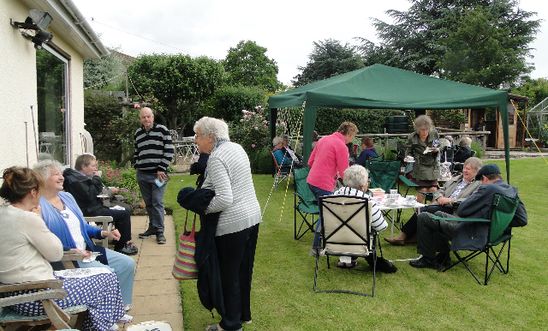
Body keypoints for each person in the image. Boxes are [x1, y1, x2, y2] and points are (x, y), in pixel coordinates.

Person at [0, 166, 125, 330]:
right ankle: (99, 327)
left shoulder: (4, 213)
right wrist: (38, 218)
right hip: (36, 297)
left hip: (12, 293)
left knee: (104, 275)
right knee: (106, 279)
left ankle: (99, 324)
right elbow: (55, 253)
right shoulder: (28, 218)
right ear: (32, 192)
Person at [34, 160, 136, 310]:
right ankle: (104, 312)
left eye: (61, 174)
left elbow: (82, 225)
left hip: (88, 250)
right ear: (42, 179)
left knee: (127, 264)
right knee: (108, 275)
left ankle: (120, 307)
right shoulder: (37, 206)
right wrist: (72, 251)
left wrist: (103, 233)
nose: (62, 177)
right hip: (68, 259)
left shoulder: (67, 197)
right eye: (56, 174)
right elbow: (43, 241)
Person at [194, 117, 261, 331]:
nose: (196, 140)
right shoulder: (237, 148)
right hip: (252, 217)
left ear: (210, 137)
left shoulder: (216, 157)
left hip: (234, 223)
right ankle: (242, 315)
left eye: (198, 136)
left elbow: (224, 198)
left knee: (228, 275)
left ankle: (231, 324)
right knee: (243, 270)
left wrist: (202, 207)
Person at [410, 164, 528, 269]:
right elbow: (522, 219)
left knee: (424, 217)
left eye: (481, 181)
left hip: (472, 232)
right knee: (438, 214)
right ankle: (443, 256)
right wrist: (497, 224)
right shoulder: (511, 191)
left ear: (485, 179)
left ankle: (428, 259)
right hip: (494, 234)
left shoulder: (488, 188)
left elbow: (462, 211)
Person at [385, 157, 483, 246]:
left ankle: (403, 236)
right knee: (424, 210)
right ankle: (412, 236)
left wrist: (451, 200)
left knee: (424, 210)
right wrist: (439, 197)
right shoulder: (456, 179)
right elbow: (440, 190)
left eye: (468, 169)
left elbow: (471, 200)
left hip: (455, 211)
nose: (465, 170)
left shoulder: (478, 185)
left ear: (476, 172)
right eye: (464, 168)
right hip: (442, 205)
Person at [63, 154, 137, 255]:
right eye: (93, 166)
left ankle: (120, 239)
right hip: (89, 211)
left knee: (124, 208)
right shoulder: (77, 181)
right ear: (84, 167)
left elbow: (92, 194)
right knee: (123, 213)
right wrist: (97, 178)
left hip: (93, 207)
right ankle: (121, 246)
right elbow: (91, 195)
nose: (95, 168)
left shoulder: (79, 178)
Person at [333, 165, 397, 273]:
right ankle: (370, 259)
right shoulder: (368, 201)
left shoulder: (333, 196)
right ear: (363, 186)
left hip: (335, 240)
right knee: (371, 229)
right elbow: (382, 226)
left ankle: (346, 259)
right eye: (368, 181)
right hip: (360, 242)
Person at [308, 122, 358, 249]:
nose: (352, 140)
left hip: (312, 180)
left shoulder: (323, 139)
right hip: (323, 183)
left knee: (325, 211)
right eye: (353, 136)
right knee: (327, 213)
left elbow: (310, 162)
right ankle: (317, 245)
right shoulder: (341, 146)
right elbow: (344, 172)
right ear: (349, 134)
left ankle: (325, 241)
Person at [134, 107, 174, 245]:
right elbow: (136, 151)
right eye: (143, 117)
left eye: (148, 116)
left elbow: (169, 150)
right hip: (143, 175)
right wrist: (136, 164)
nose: (146, 119)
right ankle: (152, 227)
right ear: (140, 119)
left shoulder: (162, 130)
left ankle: (160, 231)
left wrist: (161, 168)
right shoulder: (138, 133)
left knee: (157, 202)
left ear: (153, 117)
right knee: (149, 203)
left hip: (159, 175)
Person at [405, 115, 440, 203]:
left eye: (427, 129)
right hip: (419, 167)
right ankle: (418, 212)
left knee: (433, 190)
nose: (425, 132)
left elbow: (438, 146)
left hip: (432, 166)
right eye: (422, 130)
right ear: (417, 129)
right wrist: (408, 157)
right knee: (423, 190)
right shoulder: (412, 137)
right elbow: (408, 151)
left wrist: (435, 150)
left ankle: (433, 210)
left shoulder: (434, 134)